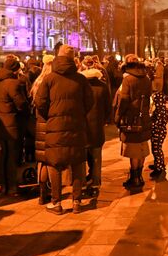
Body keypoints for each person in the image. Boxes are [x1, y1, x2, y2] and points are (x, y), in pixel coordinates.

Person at [34, 45, 93, 215]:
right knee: (77, 163)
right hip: (76, 126)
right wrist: (78, 114)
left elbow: (40, 103)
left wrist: (51, 116)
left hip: (55, 128)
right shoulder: (81, 79)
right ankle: (77, 202)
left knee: (54, 163)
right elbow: (89, 102)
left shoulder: (49, 79)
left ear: (58, 57)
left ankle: (56, 202)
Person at [0, 56, 29, 196]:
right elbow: (21, 104)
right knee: (12, 156)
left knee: (3, 154)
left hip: (0, 124)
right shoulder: (13, 83)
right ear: (14, 69)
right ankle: (13, 186)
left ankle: (3, 186)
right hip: (12, 124)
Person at [115, 54, 152, 191]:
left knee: (133, 150)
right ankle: (140, 176)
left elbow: (123, 101)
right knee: (142, 148)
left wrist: (117, 118)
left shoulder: (128, 80)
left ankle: (134, 178)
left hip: (131, 119)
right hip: (144, 118)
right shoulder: (147, 78)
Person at [81, 63, 111, 197]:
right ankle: (95, 182)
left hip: (83, 127)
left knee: (83, 156)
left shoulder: (81, 88)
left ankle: (83, 181)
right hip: (97, 127)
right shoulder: (103, 87)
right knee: (97, 156)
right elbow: (108, 107)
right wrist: (104, 120)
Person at [30, 54, 54, 205]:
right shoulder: (52, 81)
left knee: (42, 160)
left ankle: (42, 191)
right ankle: (51, 189)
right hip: (50, 123)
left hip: (39, 123)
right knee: (51, 160)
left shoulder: (37, 81)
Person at [149, 91, 168, 179]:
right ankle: (158, 163)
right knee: (156, 149)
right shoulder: (162, 109)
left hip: (158, 131)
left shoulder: (160, 111)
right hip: (159, 131)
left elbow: (158, 123)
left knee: (157, 150)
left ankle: (159, 168)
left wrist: (150, 124)